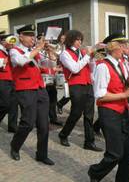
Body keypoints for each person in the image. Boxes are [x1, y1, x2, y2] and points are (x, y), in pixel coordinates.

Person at [88, 35, 129, 182]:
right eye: (123, 45)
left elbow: (125, 84)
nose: (126, 48)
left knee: (126, 153)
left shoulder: (121, 63)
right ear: (115, 47)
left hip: (123, 111)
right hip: (109, 113)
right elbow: (100, 96)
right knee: (115, 153)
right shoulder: (103, 66)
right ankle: (95, 172)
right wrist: (125, 94)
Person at [9, 24, 54, 165]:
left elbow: (48, 65)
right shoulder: (14, 51)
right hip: (25, 89)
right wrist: (38, 48)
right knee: (27, 123)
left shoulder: (34, 51)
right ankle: (15, 146)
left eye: (33, 36)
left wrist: (51, 53)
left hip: (40, 89)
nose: (32, 38)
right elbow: (22, 61)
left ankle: (41, 154)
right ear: (20, 36)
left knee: (44, 124)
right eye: (29, 35)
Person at [58, 30, 102, 152]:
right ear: (71, 40)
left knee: (89, 115)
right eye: (77, 39)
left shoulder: (83, 52)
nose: (80, 42)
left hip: (88, 84)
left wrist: (92, 58)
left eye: (80, 40)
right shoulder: (65, 54)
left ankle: (89, 142)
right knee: (76, 114)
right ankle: (63, 134)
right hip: (76, 86)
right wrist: (88, 55)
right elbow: (75, 68)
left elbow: (91, 68)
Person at [0, 33, 18, 133]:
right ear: (3, 41)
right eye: (10, 41)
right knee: (5, 104)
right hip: (2, 80)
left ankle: (12, 126)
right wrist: (4, 60)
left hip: (12, 80)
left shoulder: (9, 51)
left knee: (14, 104)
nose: (12, 43)